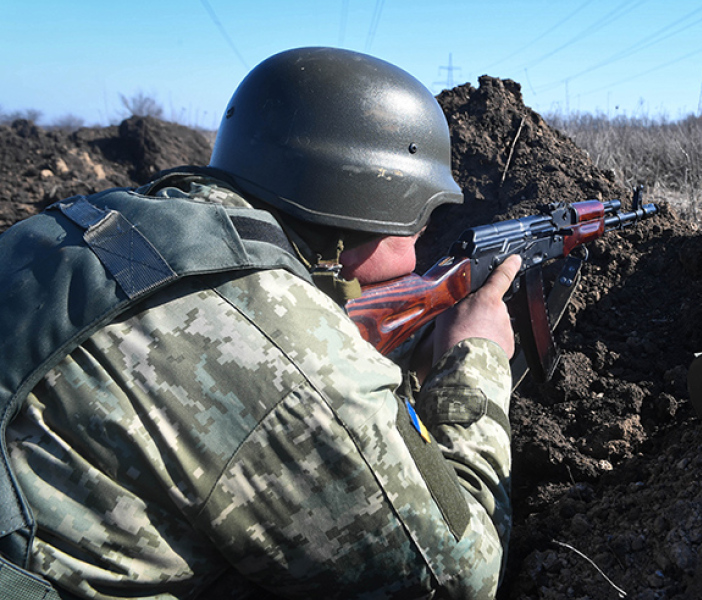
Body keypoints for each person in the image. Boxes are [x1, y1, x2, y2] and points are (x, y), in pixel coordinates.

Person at [0, 47, 518, 599]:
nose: (417, 256)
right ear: (366, 200)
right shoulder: (287, 360)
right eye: (419, 220)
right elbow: (463, 577)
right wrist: (476, 361)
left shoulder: (79, 226)